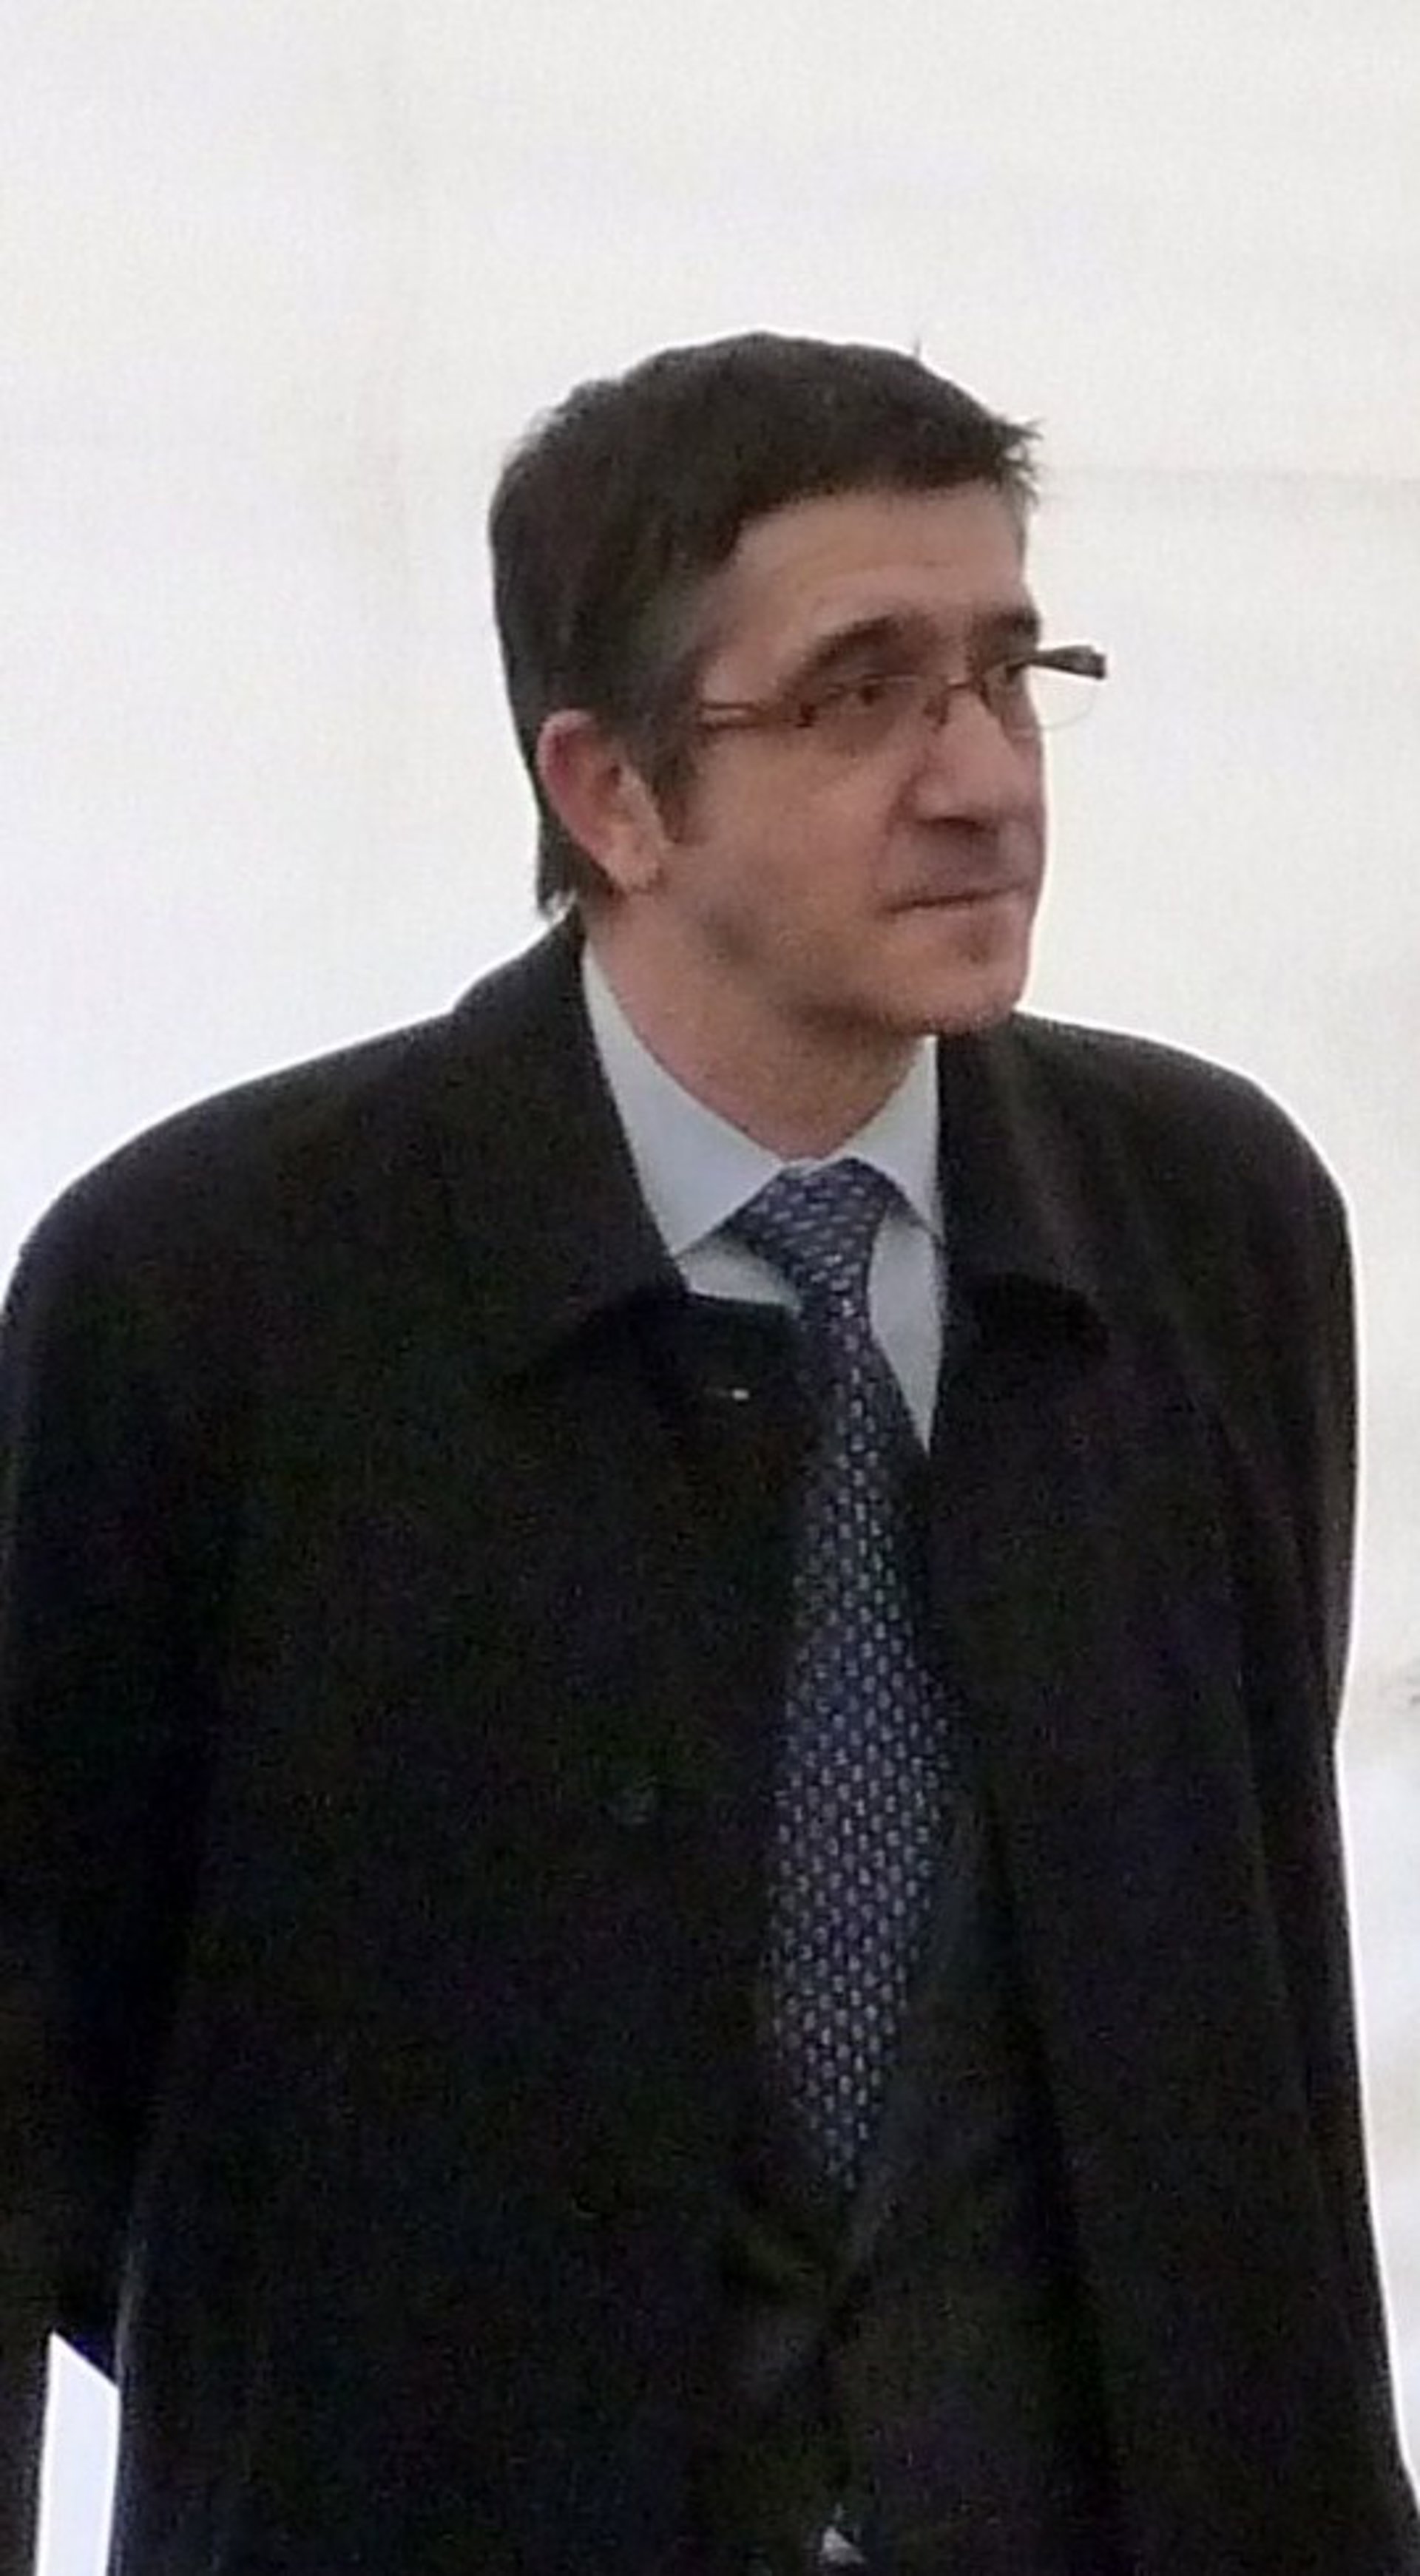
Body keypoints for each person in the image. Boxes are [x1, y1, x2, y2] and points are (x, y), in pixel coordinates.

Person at [1, 332, 1416, 2576]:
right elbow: (53, 2099)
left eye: (1013, 672)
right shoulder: (210, 1295)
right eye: (861, 695)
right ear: (610, 794)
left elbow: (1237, 1955)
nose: (986, 780)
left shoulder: (1209, 1223)